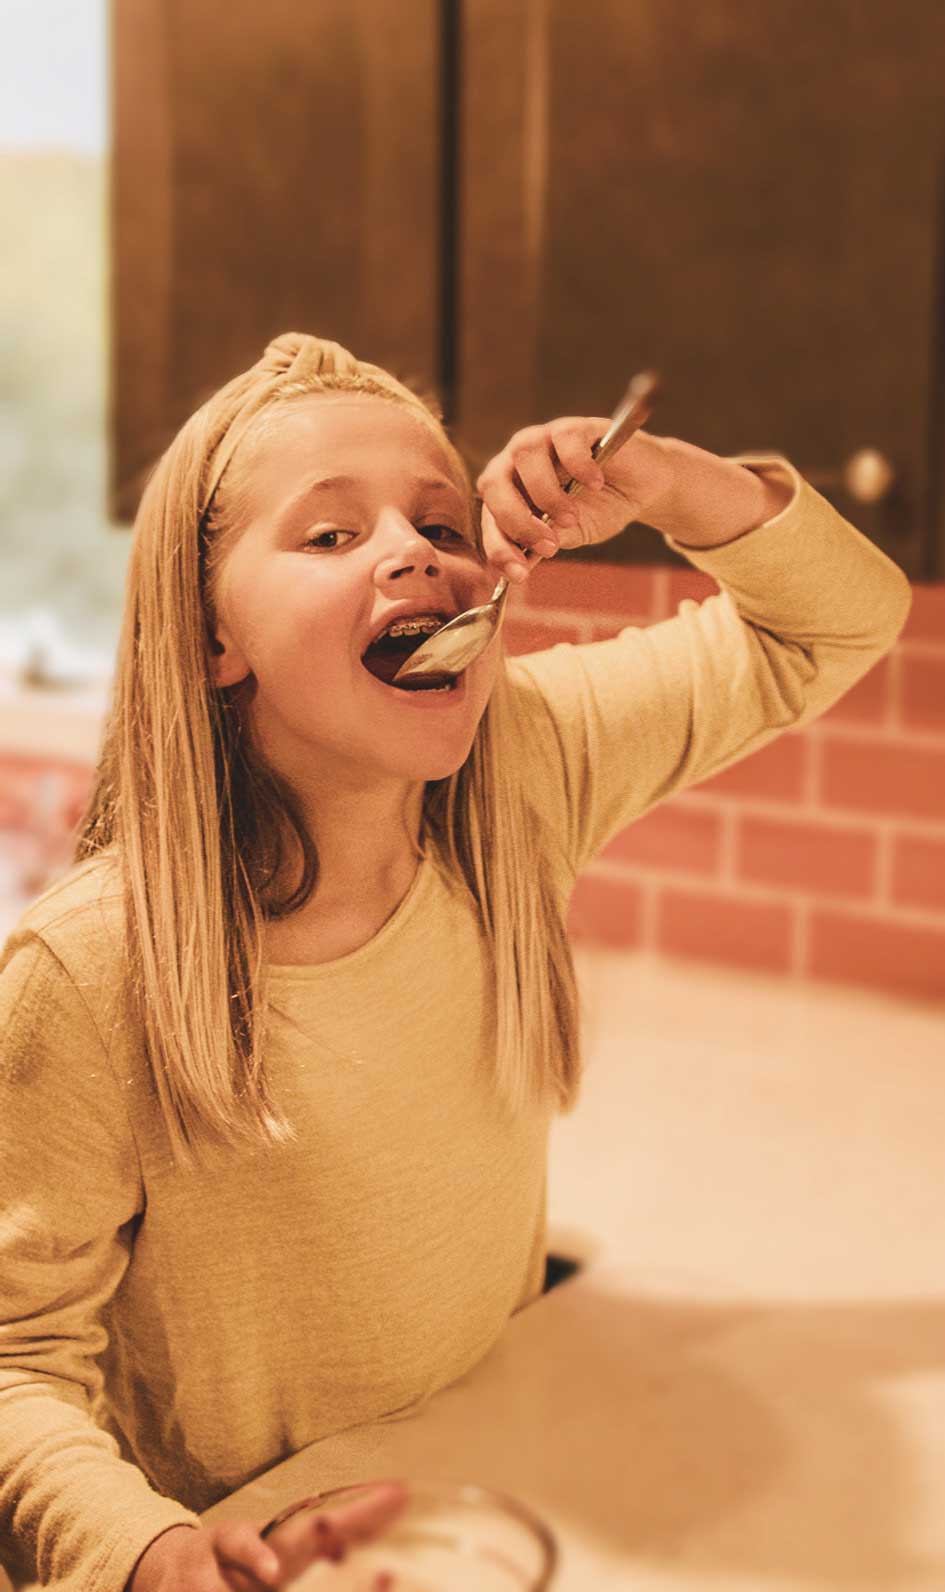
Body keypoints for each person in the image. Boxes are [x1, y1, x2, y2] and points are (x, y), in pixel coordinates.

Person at [0, 331, 912, 1591]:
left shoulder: (520, 774)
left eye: (439, 519)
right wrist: (150, 1554)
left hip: (499, 1486)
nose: (413, 547)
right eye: (330, 536)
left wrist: (674, 489)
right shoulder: (92, 972)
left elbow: (841, 623)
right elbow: (16, 1368)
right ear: (217, 637)